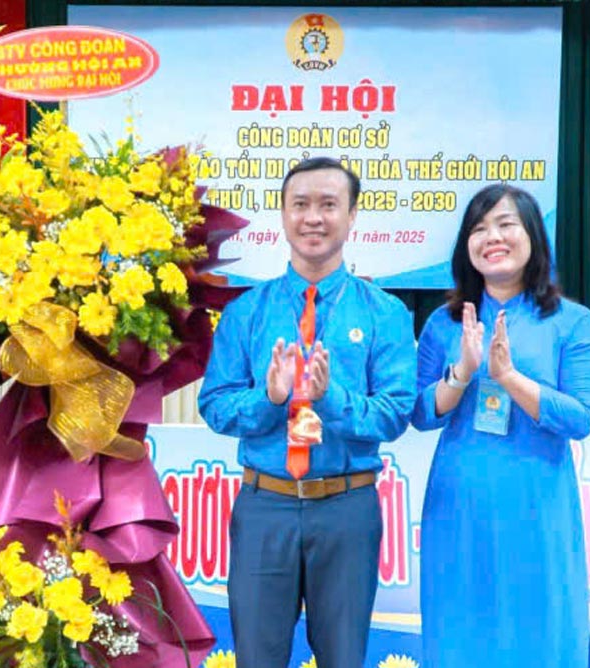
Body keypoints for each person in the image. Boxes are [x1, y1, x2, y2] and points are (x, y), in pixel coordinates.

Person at [198, 157, 417, 667]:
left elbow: (395, 413)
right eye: (300, 205)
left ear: (352, 215)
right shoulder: (246, 312)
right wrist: (270, 398)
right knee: (257, 655)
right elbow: (215, 405)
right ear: (282, 214)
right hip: (265, 505)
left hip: (346, 508)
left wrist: (330, 397)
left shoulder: (384, 313)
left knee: (343, 657)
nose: (313, 218)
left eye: (328, 205)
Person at [412, 184, 590, 667]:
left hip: (537, 501)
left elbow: (580, 417)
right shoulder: (443, 322)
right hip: (459, 502)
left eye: (505, 224)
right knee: (459, 629)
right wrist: (461, 372)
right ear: (466, 246)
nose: (491, 237)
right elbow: (418, 414)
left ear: (534, 237)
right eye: (478, 229)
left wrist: (509, 378)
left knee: (539, 629)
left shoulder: (572, 322)